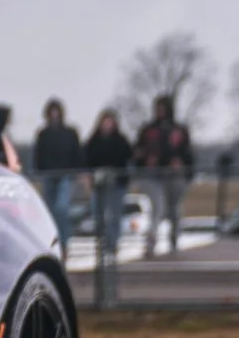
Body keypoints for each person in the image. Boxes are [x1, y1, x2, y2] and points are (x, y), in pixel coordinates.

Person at [133, 95, 195, 255]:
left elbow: (188, 154)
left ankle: (174, 239)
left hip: (174, 176)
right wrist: (145, 159)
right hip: (153, 176)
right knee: (158, 206)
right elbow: (137, 152)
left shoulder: (179, 130)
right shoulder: (148, 130)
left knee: (174, 209)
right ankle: (151, 240)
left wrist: (182, 167)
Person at [33, 99, 84, 255]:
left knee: (62, 208)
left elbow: (77, 152)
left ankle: (64, 241)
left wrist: (78, 170)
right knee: (50, 212)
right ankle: (53, 242)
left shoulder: (70, 133)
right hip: (48, 175)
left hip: (65, 175)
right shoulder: (43, 133)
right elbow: (39, 154)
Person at [85, 109, 132, 258]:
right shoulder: (93, 141)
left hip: (117, 183)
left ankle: (113, 243)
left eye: (109, 122)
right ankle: (102, 242)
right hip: (99, 184)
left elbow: (128, 158)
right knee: (99, 214)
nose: (107, 125)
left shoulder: (121, 141)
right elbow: (86, 159)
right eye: (105, 122)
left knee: (114, 214)